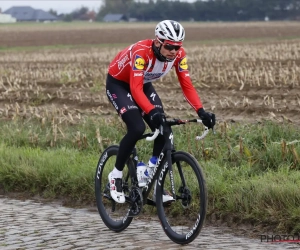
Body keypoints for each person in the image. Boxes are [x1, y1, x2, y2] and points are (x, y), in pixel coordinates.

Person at [106, 20, 216, 203]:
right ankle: (115, 175)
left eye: (177, 46)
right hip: (119, 84)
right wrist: (151, 111)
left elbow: (186, 85)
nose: (174, 51)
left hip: (143, 84)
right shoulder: (142, 53)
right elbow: (135, 89)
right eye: (170, 46)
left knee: (164, 129)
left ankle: (149, 173)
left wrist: (201, 111)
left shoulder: (179, 56)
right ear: (158, 42)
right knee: (137, 127)